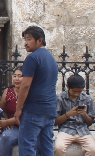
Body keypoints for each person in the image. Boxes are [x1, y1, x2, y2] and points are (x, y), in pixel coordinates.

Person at [16, 26, 59, 156]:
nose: (26, 43)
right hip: (50, 109)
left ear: (40, 40)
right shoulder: (51, 59)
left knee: (27, 145)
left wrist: (18, 109)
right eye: (25, 39)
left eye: (29, 39)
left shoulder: (32, 58)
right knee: (46, 147)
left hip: (34, 110)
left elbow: (25, 85)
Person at [55, 74, 95, 156]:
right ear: (68, 86)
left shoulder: (87, 99)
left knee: (93, 149)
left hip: (83, 130)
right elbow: (55, 122)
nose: (77, 94)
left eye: (79, 91)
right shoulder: (60, 98)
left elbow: (90, 122)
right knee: (59, 148)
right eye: (74, 91)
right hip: (66, 129)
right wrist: (68, 114)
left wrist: (85, 115)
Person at [0, 69, 23, 156]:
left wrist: (7, 122)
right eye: (15, 76)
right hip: (14, 127)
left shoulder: (30, 93)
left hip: (27, 126)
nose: (16, 79)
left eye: (20, 76)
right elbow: (3, 110)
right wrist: (6, 120)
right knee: (6, 136)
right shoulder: (8, 91)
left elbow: (24, 114)